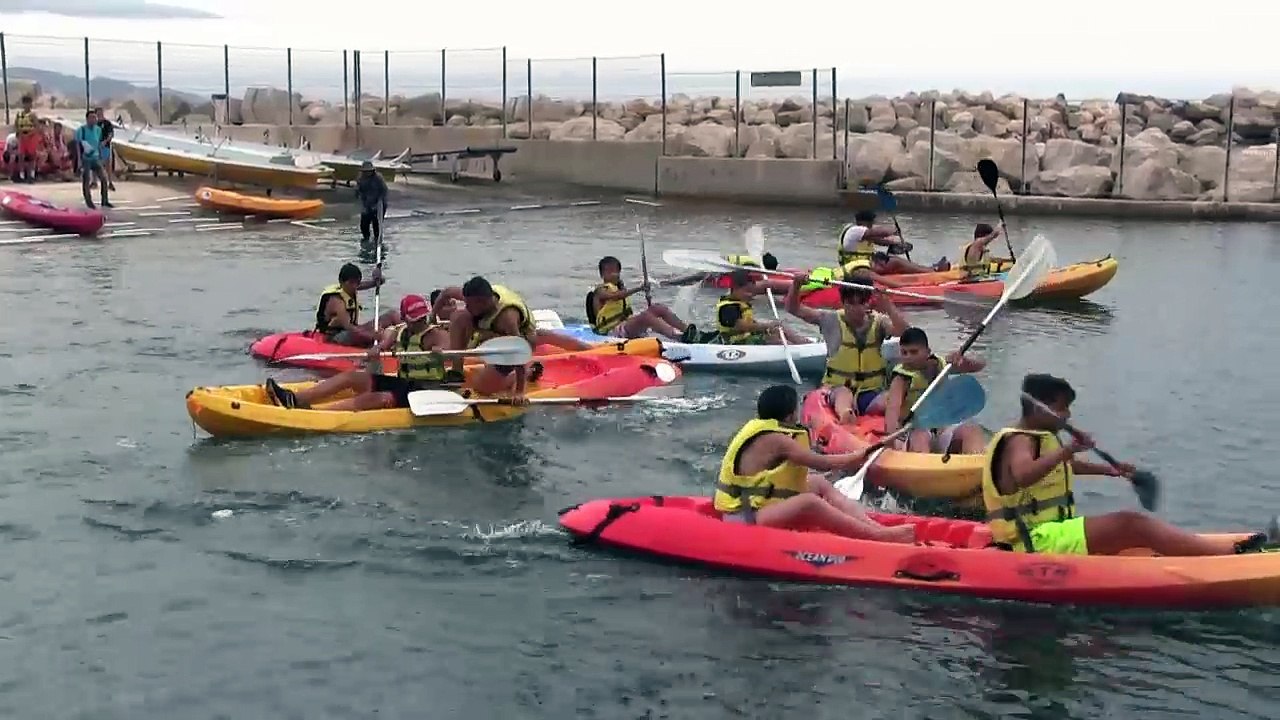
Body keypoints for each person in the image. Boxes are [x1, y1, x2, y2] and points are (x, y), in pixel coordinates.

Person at [984, 373, 1279, 556]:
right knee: (1130, 524)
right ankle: (1229, 555)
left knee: (1133, 529)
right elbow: (1023, 475)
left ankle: (1206, 548)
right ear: (1040, 408)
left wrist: (1109, 470)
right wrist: (1067, 450)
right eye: (1063, 408)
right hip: (1031, 540)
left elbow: (1066, 467)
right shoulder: (1019, 441)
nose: (1068, 415)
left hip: (1050, 532)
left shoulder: (1042, 438)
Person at [714, 384, 916, 542]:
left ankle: (873, 526)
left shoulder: (765, 429)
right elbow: (821, 463)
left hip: (761, 504)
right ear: (790, 415)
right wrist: (858, 456)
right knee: (809, 502)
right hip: (746, 516)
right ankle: (876, 536)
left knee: (818, 483)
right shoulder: (776, 440)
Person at [267, 294, 459, 411]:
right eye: (416, 319)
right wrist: (372, 354)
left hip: (426, 390)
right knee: (351, 376)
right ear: (406, 319)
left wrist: (441, 352)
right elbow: (380, 347)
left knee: (378, 398)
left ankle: (316, 412)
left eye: (422, 318)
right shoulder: (398, 332)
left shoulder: (436, 334)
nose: (421, 322)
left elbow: (451, 352)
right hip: (404, 383)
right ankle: (295, 399)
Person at [785, 271, 909, 421]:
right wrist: (796, 285)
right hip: (836, 389)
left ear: (868, 302)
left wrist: (888, 305)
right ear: (843, 302)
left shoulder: (880, 322)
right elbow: (793, 309)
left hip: (870, 392)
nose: (856, 308)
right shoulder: (829, 319)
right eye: (850, 302)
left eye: (861, 302)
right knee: (844, 395)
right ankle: (846, 415)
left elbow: (904, 332)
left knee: (892, 399)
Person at [882, 327, 986, 454]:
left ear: (928, 352)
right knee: (920, 436)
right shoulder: (901, 378)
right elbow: (892, 411)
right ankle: (922, 464)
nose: (908, 357)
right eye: (904, 353)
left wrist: (963, 360)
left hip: (942, 428)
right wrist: (890, 444)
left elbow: (980, 365)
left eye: (914, 352)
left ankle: (975, 461)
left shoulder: (942, 365)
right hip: (913, 430)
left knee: (972, 430)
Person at [443, 276, 544, 401]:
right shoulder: (472, 297)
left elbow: (519, 351)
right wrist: (432, 316)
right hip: (493, 333)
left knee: (482, 388)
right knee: (459, 317)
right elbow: (446, 293)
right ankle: (456, 371)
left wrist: (519, 391)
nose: (467, 307)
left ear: (483, 302)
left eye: (469, 305)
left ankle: (527, 372)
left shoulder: (507, 318)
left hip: (521, 342)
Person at [587, 256, 698, 342]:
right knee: (646, 317)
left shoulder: (619, 288)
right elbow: (616, 296)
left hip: (625, 325)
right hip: (611, 332)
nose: (614, 274)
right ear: (602, 274)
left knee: (658, 308)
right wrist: (640, 288)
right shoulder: (600, 291)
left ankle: (688, 331)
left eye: (616, 271)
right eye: (610, 272)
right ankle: (677, 337)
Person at [315, 262, 399, 347]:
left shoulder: (350, 286)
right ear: (341, 281)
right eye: (351, 283)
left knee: (391, 315)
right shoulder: (336, 301)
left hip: (352, 330)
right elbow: (349, 327)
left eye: (357, 283)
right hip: (335, 337)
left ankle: (404, 331)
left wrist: (377, 279)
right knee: (357, 333)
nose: (355, 286)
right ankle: (385, 342)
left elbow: (377, 282)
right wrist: (372, 336)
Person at [839, 210, 947, 274]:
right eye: (870, 223)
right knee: (895, 262)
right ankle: (932, 272)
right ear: (862, 222)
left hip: (863, 264)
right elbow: (882, 232)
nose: (872, 225)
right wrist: (894, 230)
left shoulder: (862, 233)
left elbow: (880, 241)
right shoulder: (855, 230)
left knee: (893, 259)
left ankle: (929, 269)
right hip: (856, 268)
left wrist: (896, 244)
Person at [716, 270, 808, 345]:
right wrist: (765, 326)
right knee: (773, 340)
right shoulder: (728, 307)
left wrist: (769, 327)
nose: (751, 295)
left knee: (778, 328)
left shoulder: (740, 302)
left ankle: (803, 343)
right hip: (735, 342)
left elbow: (750, 323)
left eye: (753, 292)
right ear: (735, 288)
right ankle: (793, 348)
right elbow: (741, 326)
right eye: (748, 291)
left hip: (747, 337)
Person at [74, 110, 111, 209]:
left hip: (96, 157)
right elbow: (78, 146)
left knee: (104, 178)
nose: (93, 120)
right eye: (91, 118)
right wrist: (79, 160)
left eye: (95, 118)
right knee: (86, 180)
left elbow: (98, 143)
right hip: (85, 158)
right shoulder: (81, 130)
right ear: (87, 119)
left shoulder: (98, 130)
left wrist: (101, 156)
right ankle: (89, 201)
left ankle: (105, 200)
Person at [355, 160, 388, 245]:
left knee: (376, 225)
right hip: (367, 203)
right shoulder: (360, 179)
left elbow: (384, 191)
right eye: (365, 171)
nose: (367, 173)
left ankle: (377, 241)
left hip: (378, 204)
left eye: (369, 171)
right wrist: (363, 203)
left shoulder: (378, 178)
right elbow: (358, 192)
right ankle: (366, 239)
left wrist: (377, 204)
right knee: (364, 225)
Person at [13, 95, 39, 183]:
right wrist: (19, 133)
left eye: (29, 103)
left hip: (31, 137)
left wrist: (29, 134)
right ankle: (21, 175)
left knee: (31, 156)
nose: (27, 105)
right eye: (26, 103)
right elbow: (16, 125)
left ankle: (31, 175)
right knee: (21, 155)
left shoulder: (33, 115)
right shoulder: (19, 115)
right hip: (22, 137)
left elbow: (37, 127)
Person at [90, 109, 116, 192]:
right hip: (96, 146)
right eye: (97, 114)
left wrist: (105, 142)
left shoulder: (107, 123)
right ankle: (94, 182)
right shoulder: (94, 124)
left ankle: (110, 182)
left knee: (107, 165)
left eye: (100, 113)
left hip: (105, 146)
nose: (99, 115)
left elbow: (110, 134)